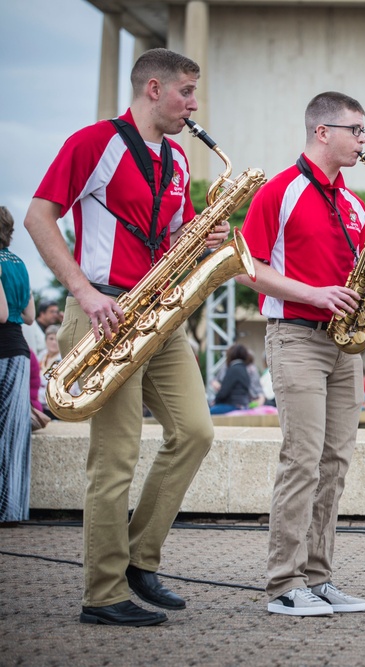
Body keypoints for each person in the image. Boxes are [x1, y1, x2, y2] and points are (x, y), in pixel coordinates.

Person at [23, 48, 224, 626]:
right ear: (153, 88)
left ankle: (139, 558)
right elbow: (39, 215)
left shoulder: (180, 160)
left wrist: (201, 238)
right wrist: (84, 292)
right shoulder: (94, 142)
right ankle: (102, 593)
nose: (193, 103)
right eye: (186, 91)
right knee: (114, 457)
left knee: (195, 432)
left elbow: (172, 230)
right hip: (105, 309)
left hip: (158, 312)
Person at [236, 91, 365, 616]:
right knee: (302, 461)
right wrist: (313, 293)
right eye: (356, 130)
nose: (363, 142)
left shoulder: (352, 201)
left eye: (364, 132)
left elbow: (353, 280)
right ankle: (284, 584)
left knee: (334, 464)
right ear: (322, 131)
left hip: (343, 345)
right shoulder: (278, 192)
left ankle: (319, 577)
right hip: (296, 336)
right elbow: (245, 268)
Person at [0, 205, 36, 527]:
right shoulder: (19, 263)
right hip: (19, 350)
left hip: (1, 350)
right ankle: (12, 511)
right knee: (14, 435)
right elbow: (29, 316)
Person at [209, 343, 252, 415]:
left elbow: (223, 392)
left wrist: (215, 401)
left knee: (207, 412)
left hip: (232, 405)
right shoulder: (244, 369)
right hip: (243, 405)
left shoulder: (233, 369)